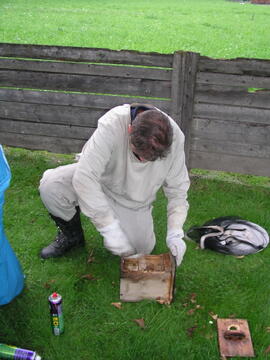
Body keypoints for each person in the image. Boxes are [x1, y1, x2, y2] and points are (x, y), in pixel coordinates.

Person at [39, 103, 190, 266]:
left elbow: (178, 190)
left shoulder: (175, 138)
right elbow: (85, 177)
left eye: (151, 159)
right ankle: (72, 236)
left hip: (132, 201)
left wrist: (175, 232)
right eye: (139, 156)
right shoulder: (112, 123)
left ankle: (128, 227)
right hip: (100, 180)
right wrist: (108, 227)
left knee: (141, 248)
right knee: (52, 186)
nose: (144, 161)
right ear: (130, 130)